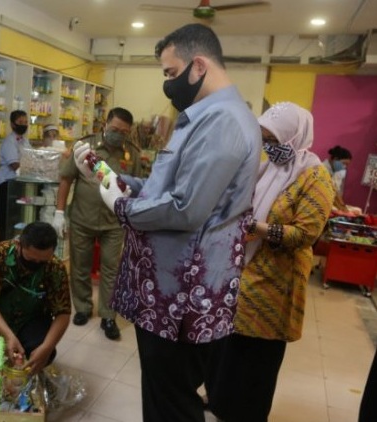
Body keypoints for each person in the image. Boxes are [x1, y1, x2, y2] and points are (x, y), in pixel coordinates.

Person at [74, 23, 261, 421]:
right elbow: (166, 183)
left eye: (170, 73)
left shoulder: (223, 122)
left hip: (182, 299)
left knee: (171, 403)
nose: (168, 86)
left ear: (198, 65)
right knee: (163, 396)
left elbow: (185, 208)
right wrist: (114, 178)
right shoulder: (199, 118)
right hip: (167, 293)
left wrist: (122, 207)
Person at [205, 102, 335, 422]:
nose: (269, 148)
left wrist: (258, 229)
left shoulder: (314, 177)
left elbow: (306, 233)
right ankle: (221, 402)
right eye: (265, 140)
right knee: (231, 348)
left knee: (257, 359)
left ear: (294, 136)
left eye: (274, 140)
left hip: (277, 284)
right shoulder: (269, 168)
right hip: (246, 272)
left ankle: (245, 413)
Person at [52, 107, 142, 340]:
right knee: (80, 266)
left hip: (114, 223)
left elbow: (138, 188)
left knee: (111, 270)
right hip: (82, 218)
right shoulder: (85, 147)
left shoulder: (131, 154)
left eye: (123, 132)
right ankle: (82, 308)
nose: (118, 134)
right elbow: (66, 179)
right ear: (105, 124)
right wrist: (59, 212)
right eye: (114, 129)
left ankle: (108, 315)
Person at [0, 222, 71, 395]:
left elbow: (63, 313)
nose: (36, 264)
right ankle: (10, 352)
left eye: (42, 261)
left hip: (32, 319)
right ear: (18, 244)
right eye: (31, 260)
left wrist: (47, 346)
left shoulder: (55, 267)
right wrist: (8, 336)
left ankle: (27, 354)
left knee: (45, 354)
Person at [0, 110, 31, 242]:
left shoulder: (24, 141)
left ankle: (15, 248)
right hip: (6, 185)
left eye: (26, 122)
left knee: (16, 219)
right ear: (12, 124)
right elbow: (15, 165)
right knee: (5, 220)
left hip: (18, 185)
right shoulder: (9, 142)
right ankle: (3, 249)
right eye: (20, 122)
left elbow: (31, 158)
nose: (24, 125)